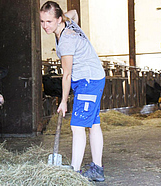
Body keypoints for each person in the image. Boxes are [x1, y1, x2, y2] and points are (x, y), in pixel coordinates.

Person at [40, 1, 106, 182]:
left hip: (88, 81)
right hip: (94, 77)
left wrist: (63, 101)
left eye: (49, 22)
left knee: (77, 126)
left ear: (58, 19)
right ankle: (97, 169)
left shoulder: (66, 40)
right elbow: (75, 12)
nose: (45, 26)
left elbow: (67, 74)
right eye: (42, 21)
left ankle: (74, 174)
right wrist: (67, 16)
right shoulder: (69, 22)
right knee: (93, 124)